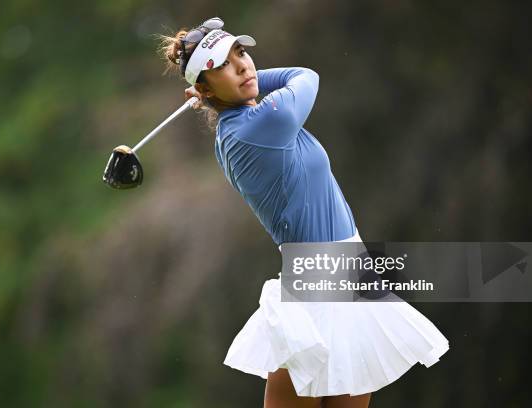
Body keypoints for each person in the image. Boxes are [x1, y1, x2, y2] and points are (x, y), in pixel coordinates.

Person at [156, 17, 450, 408]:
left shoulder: (244, 122)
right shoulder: (263, 125)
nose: (243, 66)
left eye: (241, 53)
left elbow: (271, 83)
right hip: (316, 287)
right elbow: (304, 75)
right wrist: (221, 90)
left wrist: (215, 89)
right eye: (224, 64)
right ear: (204, 88)